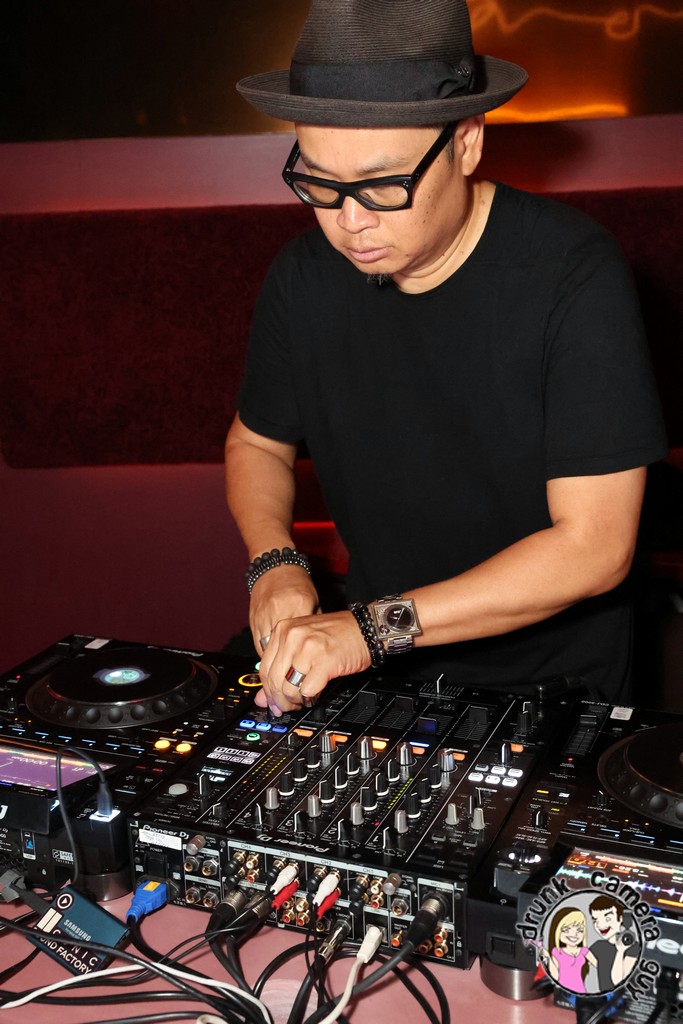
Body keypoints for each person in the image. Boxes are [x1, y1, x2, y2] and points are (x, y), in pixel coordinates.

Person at [225, 0, 667, 717]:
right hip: (379, 671)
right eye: (320, 184)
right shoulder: (302, 277)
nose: (350, 221)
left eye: (383, 185)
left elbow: (595, 547)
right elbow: (255, 444)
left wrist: (372, 629)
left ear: (466, 143)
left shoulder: (573, 273)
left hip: (551, 688)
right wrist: (273, 562)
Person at [541, 906, 597, 994]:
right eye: (566, 930)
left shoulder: (584, 951)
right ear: (557, 931)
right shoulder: (557, 952)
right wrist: (548, 957)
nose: (574, 934)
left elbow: (600, 966)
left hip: (580, 991)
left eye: (579, 930)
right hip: (562, 991)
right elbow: (555, 976)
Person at [589, 895, 640, 990]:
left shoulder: (633, 947)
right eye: (596, 920)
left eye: (608, 919)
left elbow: (618, 981)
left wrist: (620, 951)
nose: (600, 925)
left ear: (620, 919)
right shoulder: (598, 945)